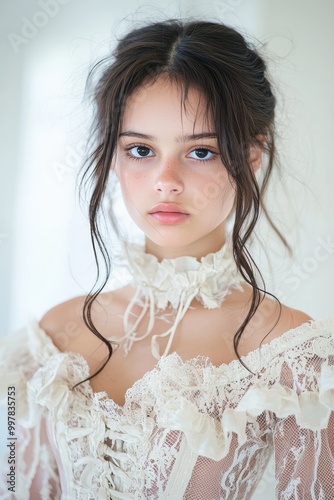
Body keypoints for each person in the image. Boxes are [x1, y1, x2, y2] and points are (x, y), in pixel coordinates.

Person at [1, 17, 333, 500]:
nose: (166, 181)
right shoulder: (49, 343)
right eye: (140, 149)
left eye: (200, 152)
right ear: (114, 158)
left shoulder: (295, 358)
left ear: (252, 157)